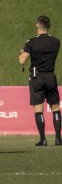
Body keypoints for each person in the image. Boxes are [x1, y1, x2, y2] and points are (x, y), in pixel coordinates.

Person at [19, 15, 61, 146]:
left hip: (37, 77)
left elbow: (22, 60)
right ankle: (58, 139)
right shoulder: (56, 41)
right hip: (50, 76)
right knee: (55, 107)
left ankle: (43, 139)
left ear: (37, 25)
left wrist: (21, 52)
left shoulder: (31, 42)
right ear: (48, 26)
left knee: (38, 109)